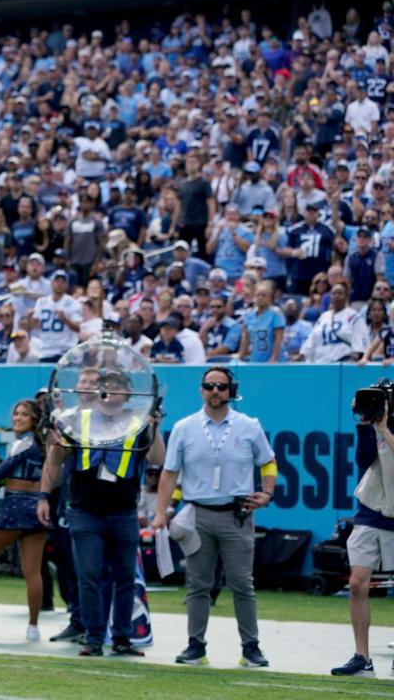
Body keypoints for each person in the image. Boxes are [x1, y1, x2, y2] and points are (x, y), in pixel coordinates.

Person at [153, 367, 277, 668]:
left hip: (237, 514)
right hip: (198, 514)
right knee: (197, 583)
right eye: (210, 385)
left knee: (242, 584)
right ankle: (196, 646)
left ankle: (251, 647)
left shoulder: (249, 426)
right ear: (201, 390)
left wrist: (268, 493)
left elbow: (268, 462)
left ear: (230, 390)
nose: (215, 391)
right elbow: (169, 473)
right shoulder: (185, 427)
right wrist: (160, 512)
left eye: (221, 386)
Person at [37, 369, 165, 657]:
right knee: (89, 574)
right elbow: (56, 462)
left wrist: (155, 428)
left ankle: (121, 637)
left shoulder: (138, 422)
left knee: (124, 576)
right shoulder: (78, 420)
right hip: (85, 510)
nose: (111, 390)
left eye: (117, 385)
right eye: (106, 385)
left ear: (129, 393)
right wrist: (56, 446)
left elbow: (158, 459)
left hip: (123, 510)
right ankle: (93, 637)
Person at [0, 400, 47, 642]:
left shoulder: (23, 444)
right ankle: (33, 626)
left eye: (24, 414)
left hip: (15, 505)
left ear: (35, 420)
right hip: (37, 507)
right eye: (16, 413)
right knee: (32, 571)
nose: (18, 418)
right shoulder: (45, 445)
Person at [331, 397, 394, 677]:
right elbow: (363, 460)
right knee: (357, 583)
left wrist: (385, 430)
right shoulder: (374, 424)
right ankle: (362, 657)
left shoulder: (386, 428)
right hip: (371, 509)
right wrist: (366, 423)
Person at [238, 280, 285, 362]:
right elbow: (245, 338)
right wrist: (240, 356)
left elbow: (279, 339)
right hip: (255, 359)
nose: (260, 297)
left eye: (264, 295)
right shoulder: (249, 315)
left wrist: (274, 358)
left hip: (272, 361)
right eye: (258, 295)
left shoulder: (276, 313)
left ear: (271, 298)